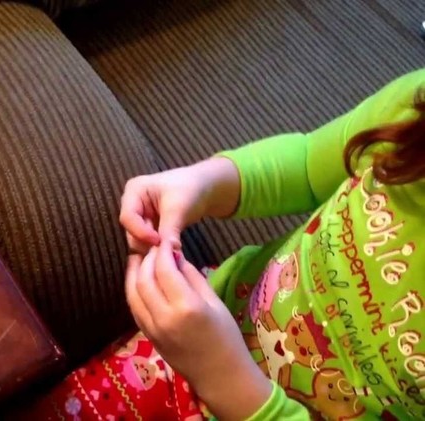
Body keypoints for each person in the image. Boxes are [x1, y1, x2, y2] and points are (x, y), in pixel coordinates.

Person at [23, 67, 425, 420]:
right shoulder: (416, 107)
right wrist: (203, 183)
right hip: (196, 331)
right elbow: (305, 166)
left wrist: (224, 377)